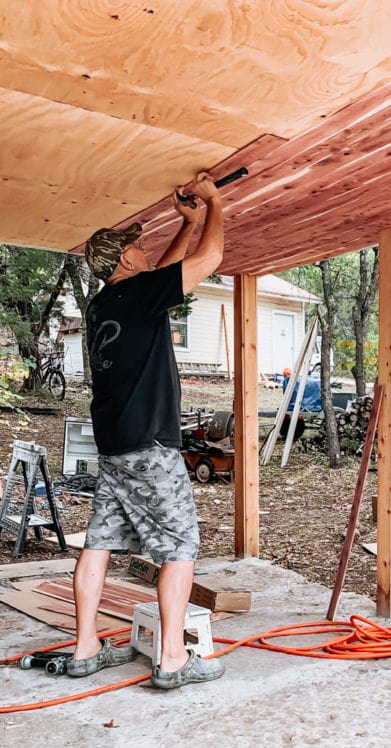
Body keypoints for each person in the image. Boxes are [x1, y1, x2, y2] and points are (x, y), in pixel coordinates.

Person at [69, 171, 225, 689]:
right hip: (152, 446)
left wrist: (188, 221)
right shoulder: (138, 292)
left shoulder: (104, 305)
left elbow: (163, 274)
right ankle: (174, 658)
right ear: (126, 260)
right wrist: (213, 205)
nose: (141, 252)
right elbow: (208, 262)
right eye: (135, 248)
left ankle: (86, 646)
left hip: (114, 446)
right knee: (180, 546)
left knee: (100, 542)